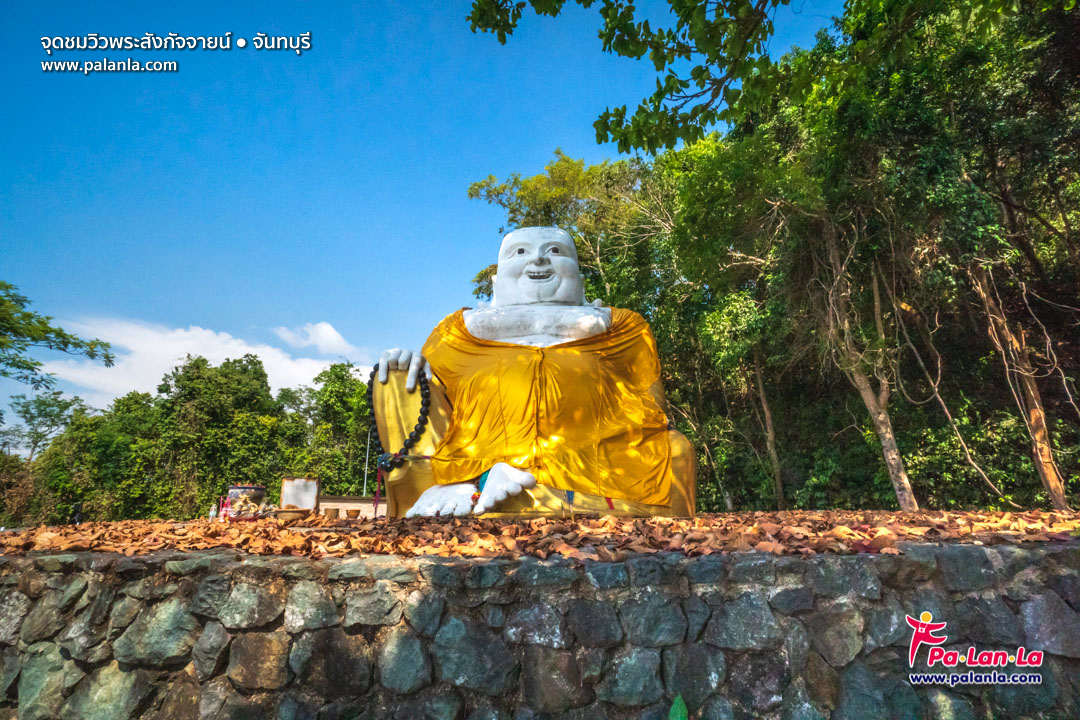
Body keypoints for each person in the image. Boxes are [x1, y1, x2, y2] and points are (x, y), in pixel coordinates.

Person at [373, 226, 695, 518]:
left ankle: (505, 491)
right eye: (520, 252)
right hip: (471, 455)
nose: (539, 259)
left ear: (580, 281)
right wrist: (412, 366)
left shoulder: (621, 327)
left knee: (676, 449)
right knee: (397, 377)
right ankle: (468, 483)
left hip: (593, 458)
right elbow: (435, 405)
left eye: (555, 251)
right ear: (496, 281)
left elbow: (651, 410)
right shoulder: (456, 331)